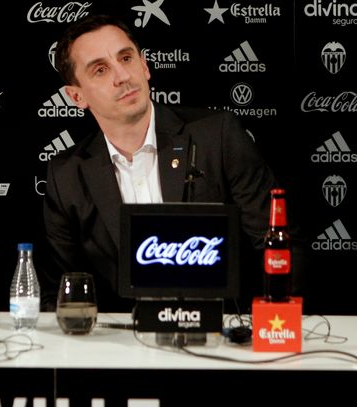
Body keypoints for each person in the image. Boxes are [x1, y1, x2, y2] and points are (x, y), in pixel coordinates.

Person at [41, 14, 302, 312]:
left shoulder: (216, 136)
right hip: (124, 345)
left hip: (223, 339)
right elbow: (61, 290)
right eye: (100, 69)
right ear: (76, 96)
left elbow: (279, 248)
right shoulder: (67, 175)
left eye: (126, 58)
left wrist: (271, 329)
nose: (122, 76)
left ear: (144, 65)